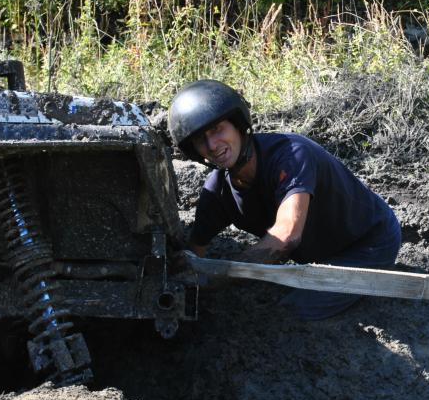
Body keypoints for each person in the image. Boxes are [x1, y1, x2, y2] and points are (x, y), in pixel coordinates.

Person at [168, 79, 402, 320]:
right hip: (314, 253)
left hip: (369, 241)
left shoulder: (291, 156)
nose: (212, 145)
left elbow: (286, 237)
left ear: (238, 125)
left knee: (294, 312)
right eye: (200, 139)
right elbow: (195, 252)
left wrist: (222, 275)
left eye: (217, 129)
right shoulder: (217, 191)